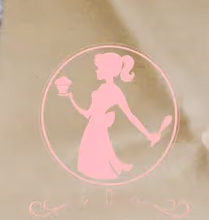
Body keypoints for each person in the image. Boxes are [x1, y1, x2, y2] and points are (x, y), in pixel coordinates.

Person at [58, 52, 161, 180]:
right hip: (91, 130)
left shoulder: (115, 92)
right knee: (90, 167)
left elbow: (130, 116)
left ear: (108, 70)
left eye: (99, 67)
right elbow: (87, 114)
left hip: (97, 130)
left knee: (99, 168)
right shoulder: (100, 89)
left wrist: (148, 134)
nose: (96, 70)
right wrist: (71, 98)